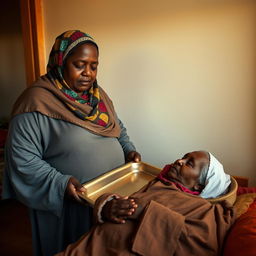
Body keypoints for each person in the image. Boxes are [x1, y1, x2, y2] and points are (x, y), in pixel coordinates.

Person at [2, 30, 141, 256]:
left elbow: (118, 127)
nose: (88, 73)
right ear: (60, 62)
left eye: (93, 66)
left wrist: (128, 150)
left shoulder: (98, 96)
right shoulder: (35, 102)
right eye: (79, 64)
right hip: (68, 205)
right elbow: (22, 158)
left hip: (109, 197)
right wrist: (60, 183)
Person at [56, 151, 235, 256]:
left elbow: (201, 244)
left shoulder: (204, 209)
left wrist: (143, 211)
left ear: (199, 185)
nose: (179, 161)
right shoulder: (159, 183)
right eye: (183, 157)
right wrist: (108, 205)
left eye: (189, 163)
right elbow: (124, 198)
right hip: (88, 246)